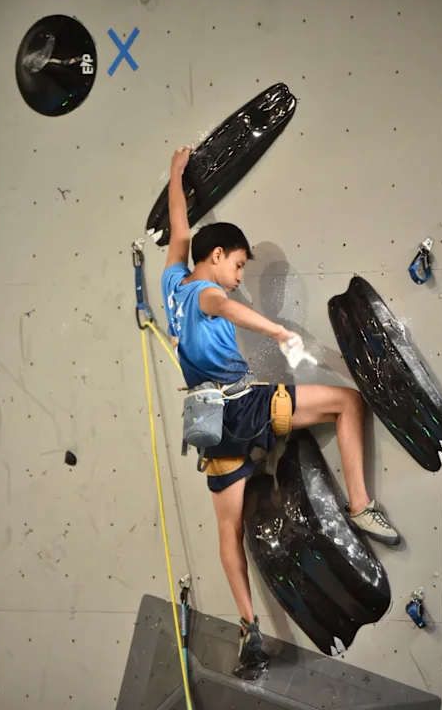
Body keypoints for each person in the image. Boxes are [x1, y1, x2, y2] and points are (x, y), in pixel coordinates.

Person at [159, 146, 401, 674]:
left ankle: (250, 629)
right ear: (216, 256)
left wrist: (177, 175)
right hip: (248, 406)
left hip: (211, 426)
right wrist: (278, 331)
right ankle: (360, 504)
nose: (238, 276)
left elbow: (179, 229)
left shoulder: (172, 284)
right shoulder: (204, 292)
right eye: (237, 265)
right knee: (347, 402)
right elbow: (223, 305)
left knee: (229, 533)